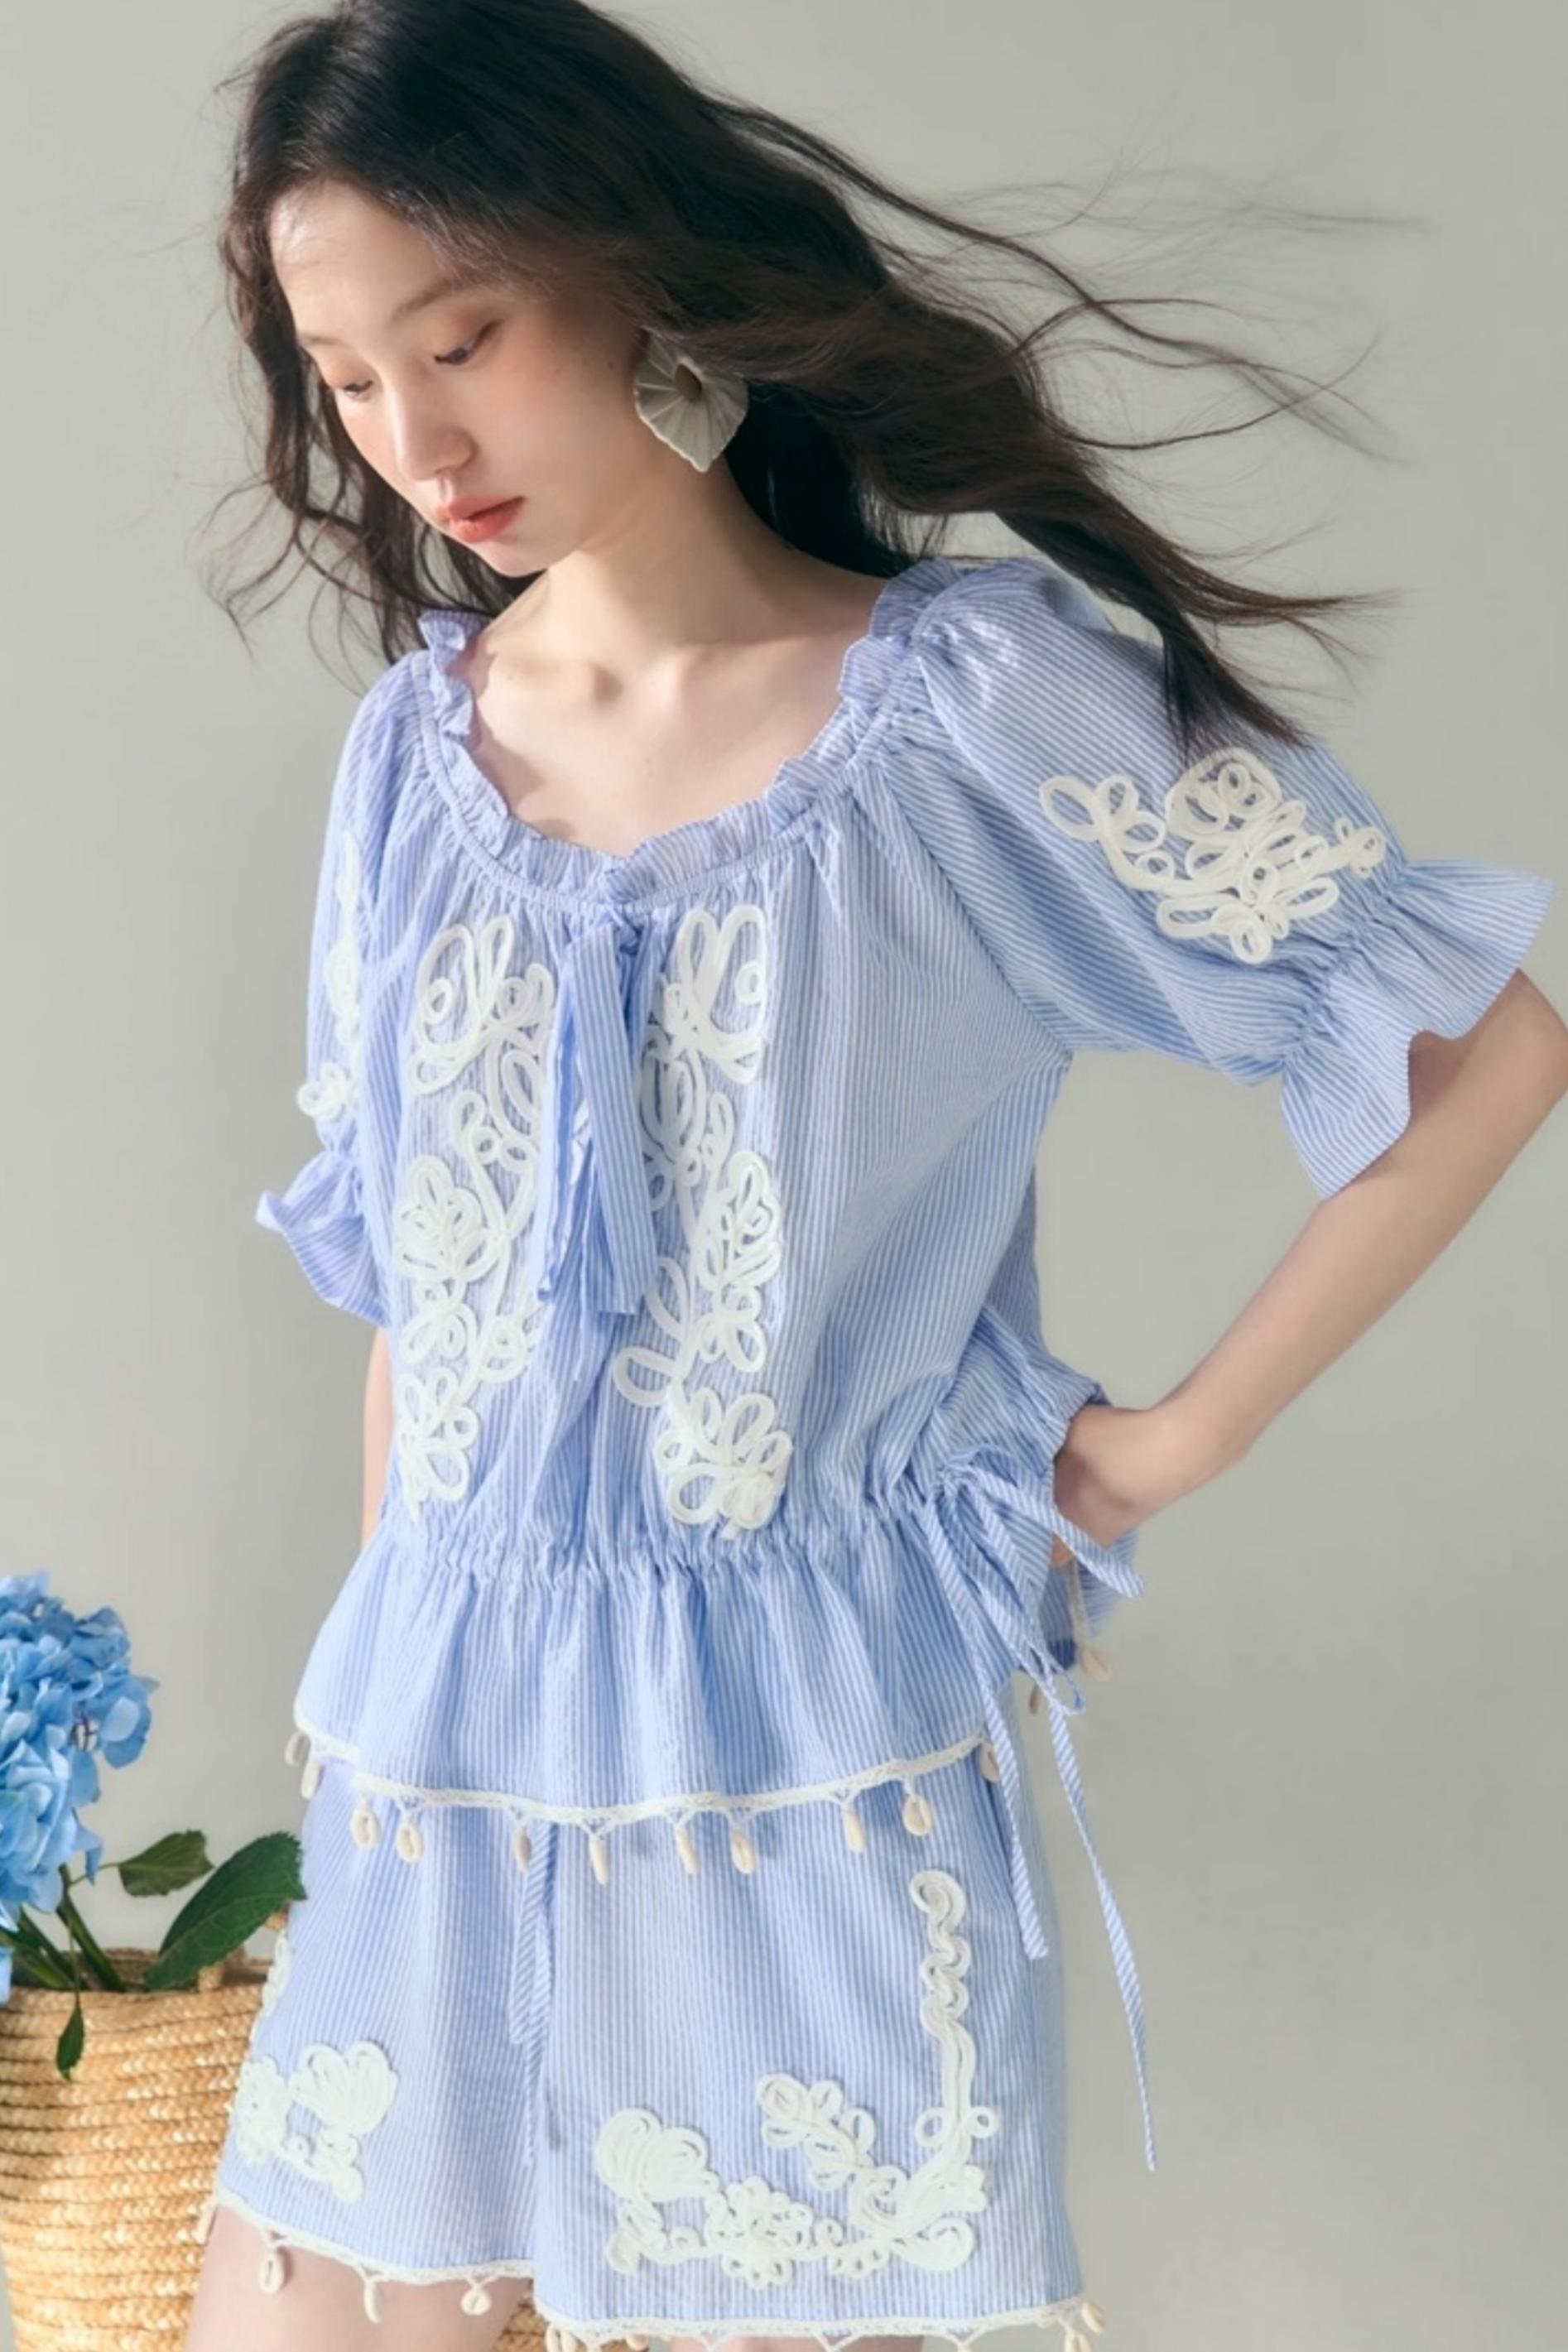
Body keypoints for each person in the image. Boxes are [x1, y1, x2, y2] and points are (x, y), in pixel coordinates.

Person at [183, 4, 1566, 2350]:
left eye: (464, 338)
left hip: (802, 1781)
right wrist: (374, 1748)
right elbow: (420, 1305)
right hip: (446, 1774)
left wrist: (1166, 1445)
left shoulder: (971, 705)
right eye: (348, 381)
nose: (416, 442)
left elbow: (1482, 1046)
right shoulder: (412, 762)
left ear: (633, 270)